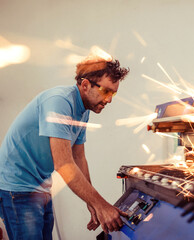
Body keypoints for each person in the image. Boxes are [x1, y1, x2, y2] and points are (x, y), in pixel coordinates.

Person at [0, 54, 130, 239]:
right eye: (106, 91)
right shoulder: (59, 102)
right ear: (85, 85)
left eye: (113, 93)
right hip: (17, 187)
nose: (109, 100)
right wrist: (101, 206)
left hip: (40, 186)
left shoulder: (83, 110)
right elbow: (63, 164)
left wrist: (92, 203)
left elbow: (78, 158)